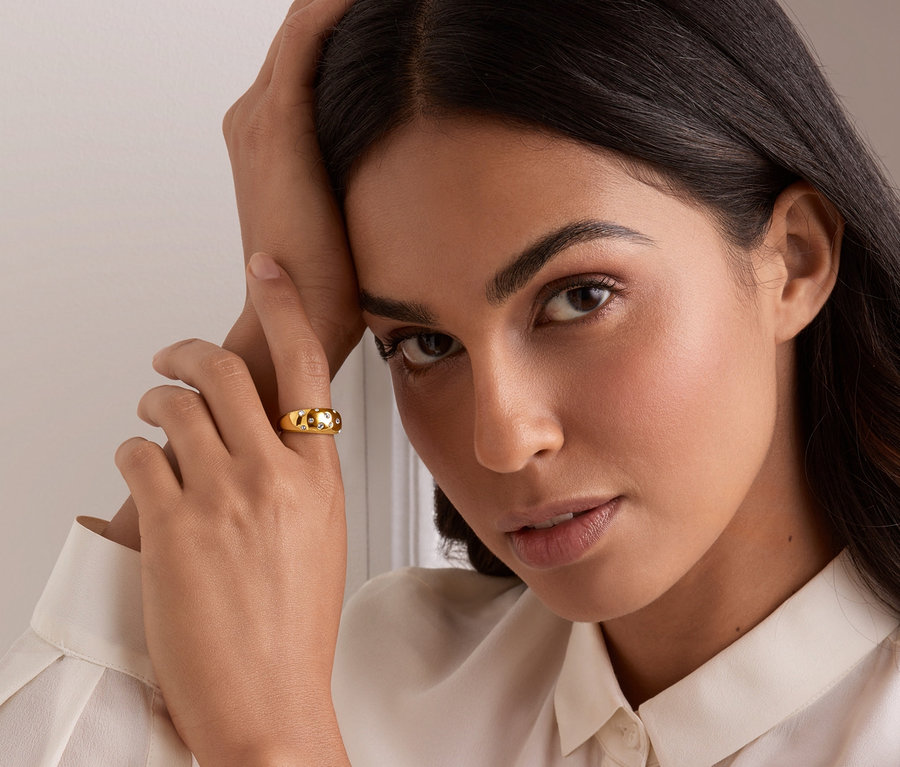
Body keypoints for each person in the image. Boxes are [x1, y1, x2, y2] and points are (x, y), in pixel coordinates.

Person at [1, 0, 898, 764]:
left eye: (580, 297)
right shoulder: (383, 667)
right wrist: (292, 319)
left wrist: (276, 745)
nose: (500, 438)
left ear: (794, 259)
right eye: (424, 343)